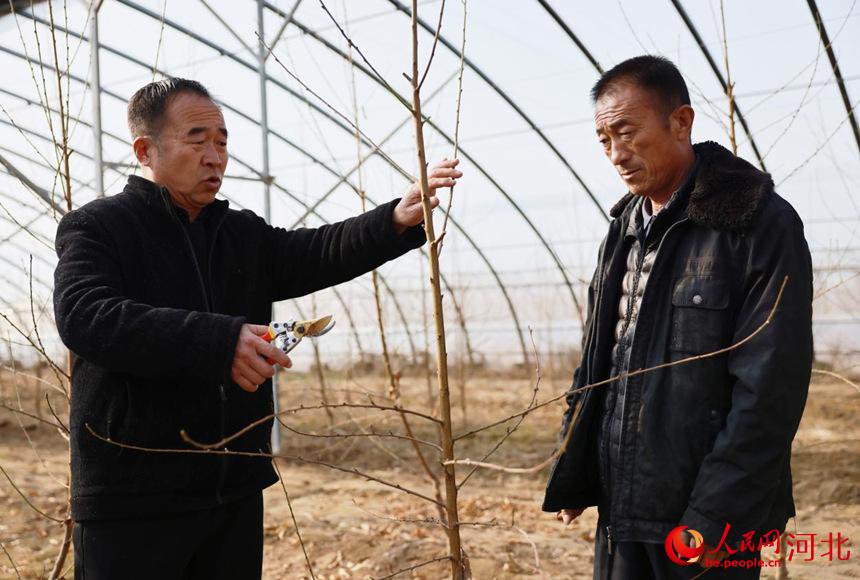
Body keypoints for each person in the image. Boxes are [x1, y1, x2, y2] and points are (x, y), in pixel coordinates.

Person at [53, 78, 462, 580]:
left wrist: (395, 219)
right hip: (134, 498)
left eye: (222, 142)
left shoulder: (239, 234)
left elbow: (316, 252)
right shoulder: (100, 227)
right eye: (197, 140)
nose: (215, 158)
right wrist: (220, 341)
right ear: (146, 150)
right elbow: (85, 314)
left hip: (233, 491)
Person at [542, 56, 813, 579]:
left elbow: (770, 392)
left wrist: (715, 519)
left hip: (707, 520)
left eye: (627, 133)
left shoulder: (756, 224)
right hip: (622, 511)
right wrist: (574, 463)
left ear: (681, 122)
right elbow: (598, 360)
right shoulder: (623, 229)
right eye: (604, 140)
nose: (616, 155)